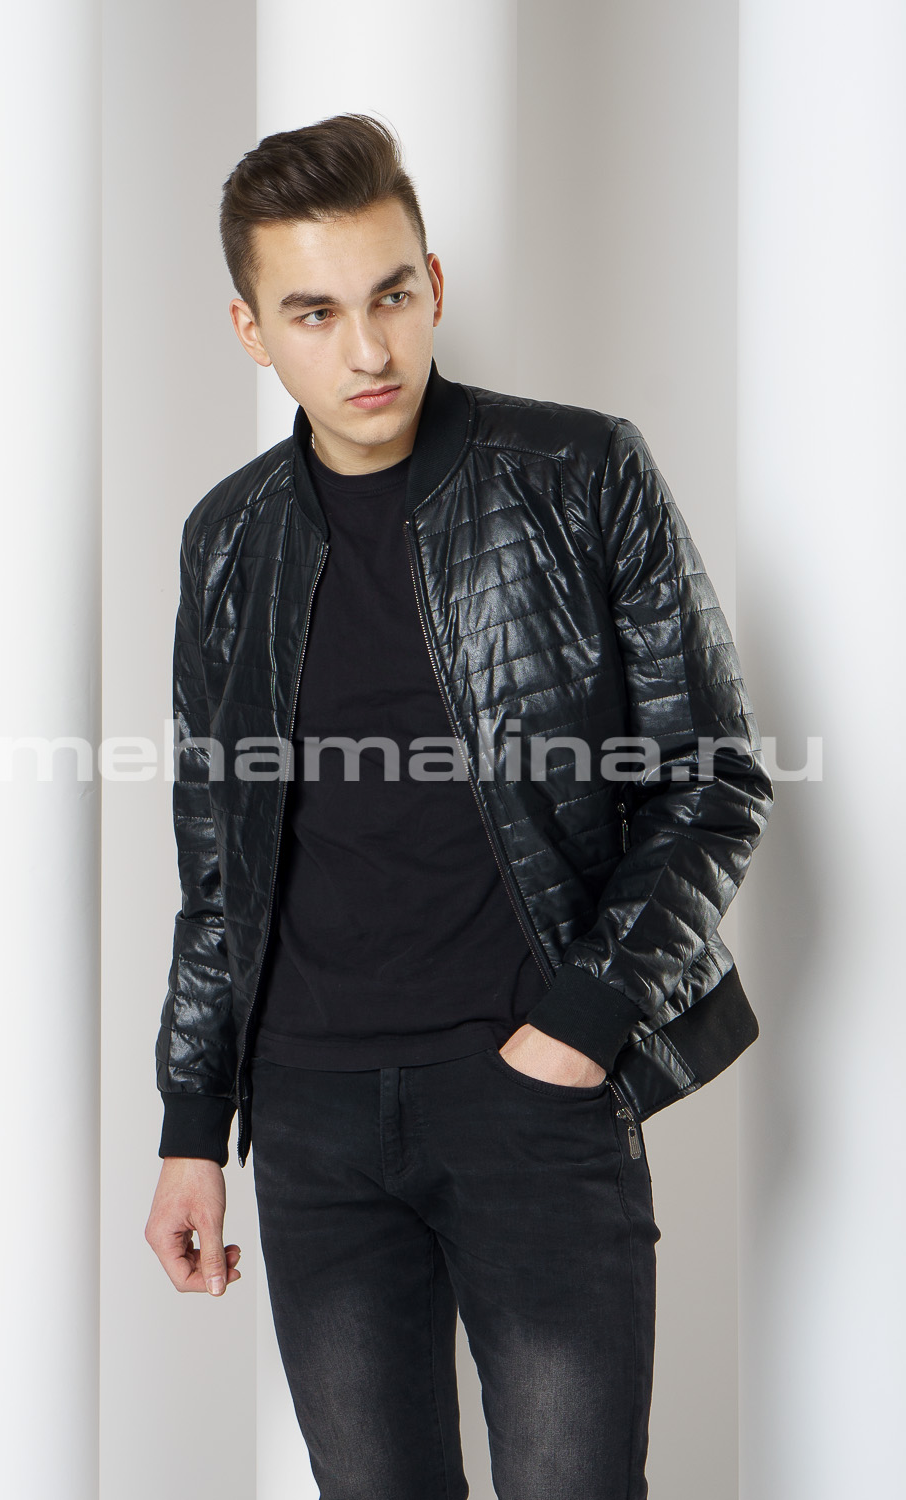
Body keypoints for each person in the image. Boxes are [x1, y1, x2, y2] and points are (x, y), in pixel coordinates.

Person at [144, 113, 773, 1500]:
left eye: (390, 296)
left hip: (529, 1096)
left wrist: (583, 1025)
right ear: (252, 332)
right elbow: (216, 857)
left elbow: (711, 771)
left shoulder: (579, 472)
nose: (366, 349)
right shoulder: (229, 539)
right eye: (314, 313)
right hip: (310, 1119)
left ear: (432, 284)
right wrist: (194, 1126)